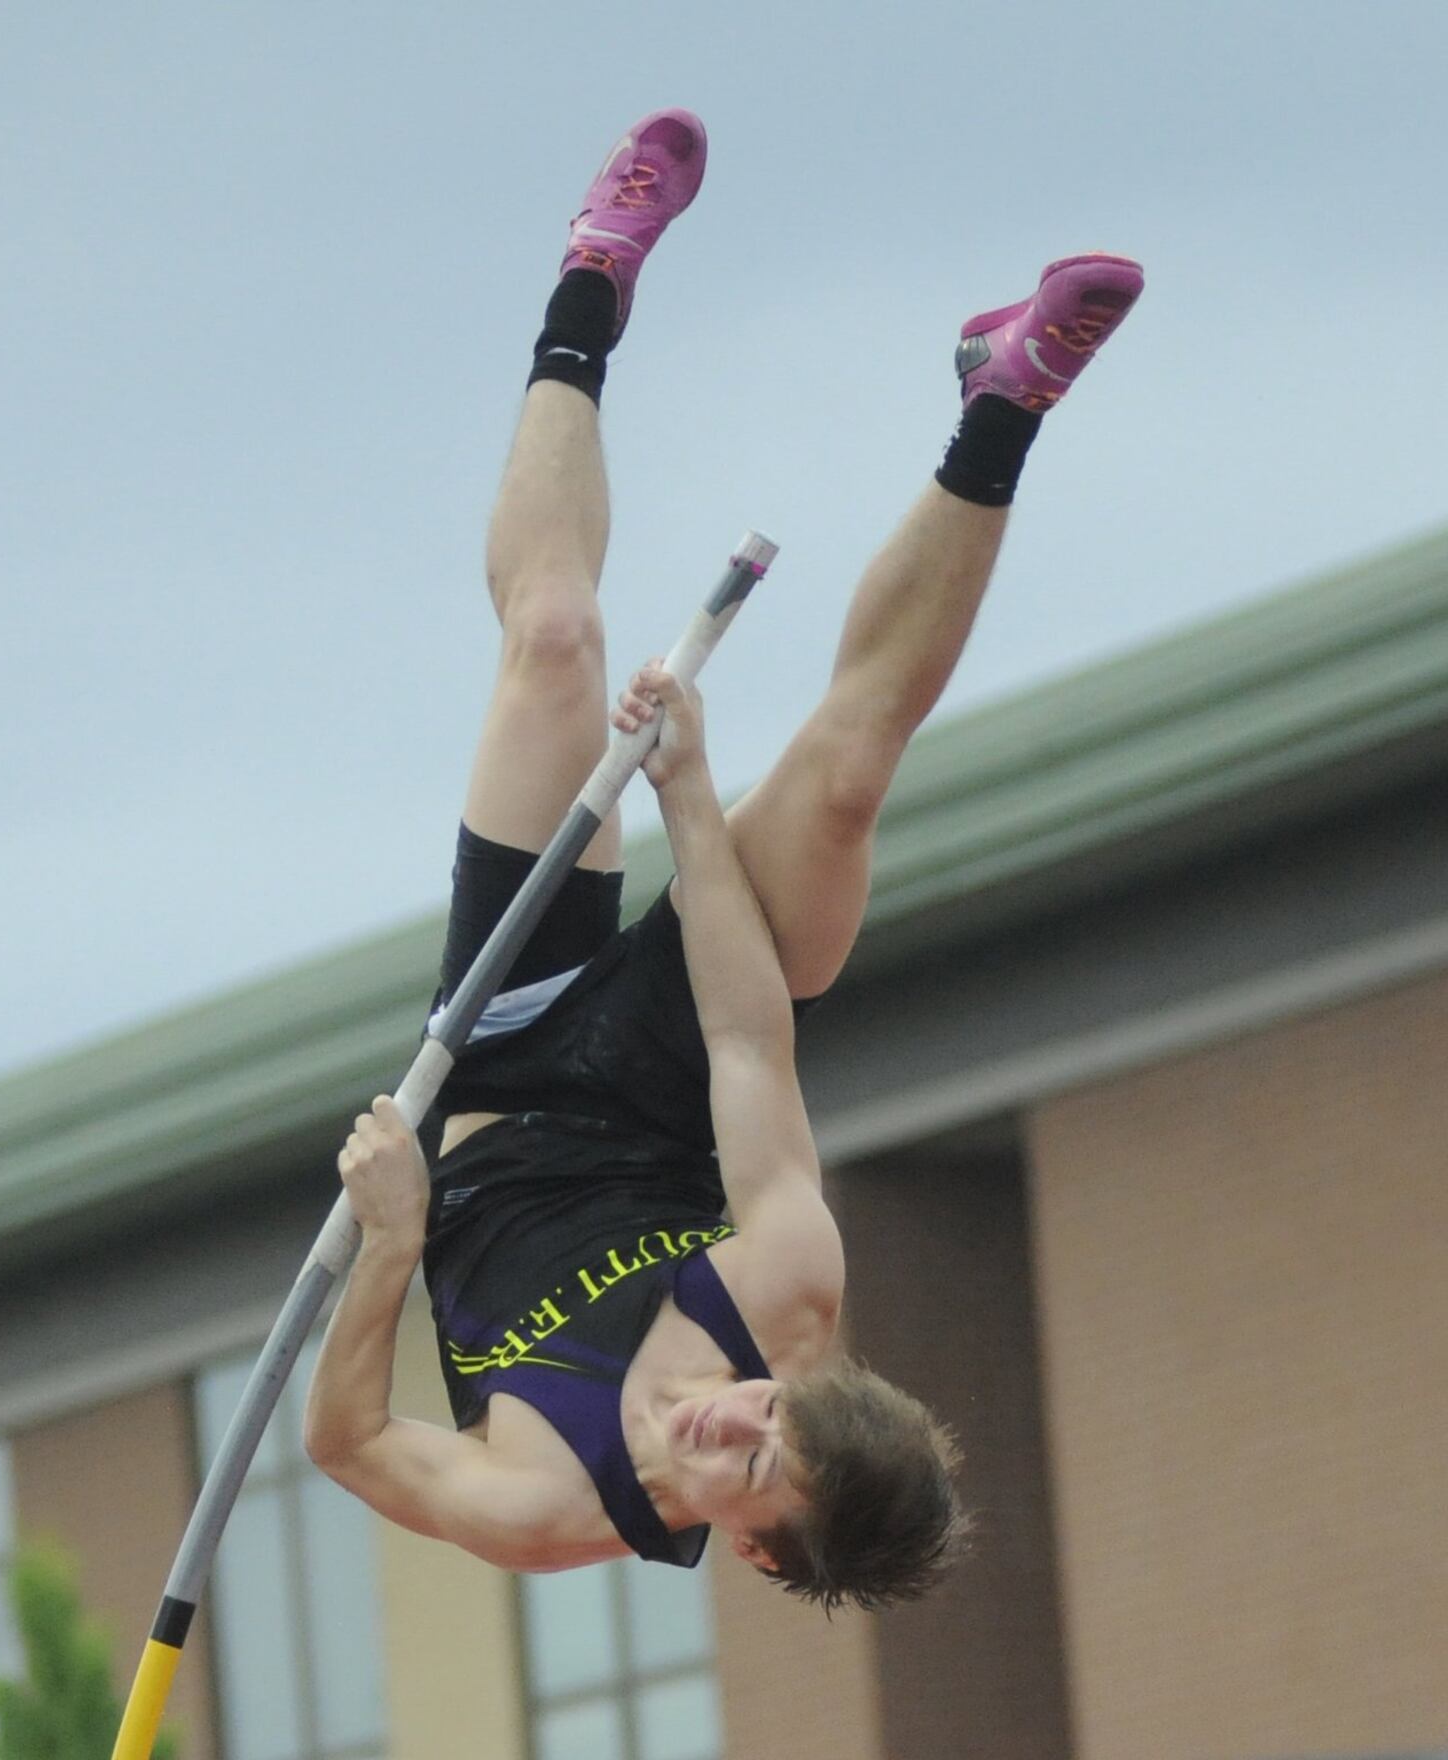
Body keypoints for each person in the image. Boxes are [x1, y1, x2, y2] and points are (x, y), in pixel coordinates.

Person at [304, 109, 1142, 1611]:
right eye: (777, 1410)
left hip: (493, 1083)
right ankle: (1000, 401)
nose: (737, 1413)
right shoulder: (789, 1294)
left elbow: (352, 1442)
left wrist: (392, 1241)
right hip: (666, 1070)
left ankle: (573, 288)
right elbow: (755, 1041)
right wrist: (686, 785)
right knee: (838, 784)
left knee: (555, 644)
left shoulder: (549, 1502)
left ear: (749, 1548)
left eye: (751, 1463)